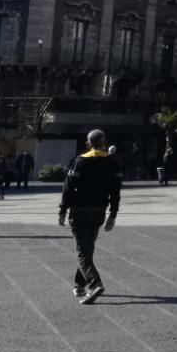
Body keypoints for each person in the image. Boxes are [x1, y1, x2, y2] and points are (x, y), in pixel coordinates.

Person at [58, 129, 122, 304]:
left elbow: (68, 188)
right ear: (104, 142)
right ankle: (79, 284)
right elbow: (115, 192)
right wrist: (113, 215)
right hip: (99, 211)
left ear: (88, 144)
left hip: (79, 211)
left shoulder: (79, 162)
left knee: (82, 251)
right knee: (88, 248)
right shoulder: (113, 163)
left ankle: (94, 283)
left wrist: (63, 210)